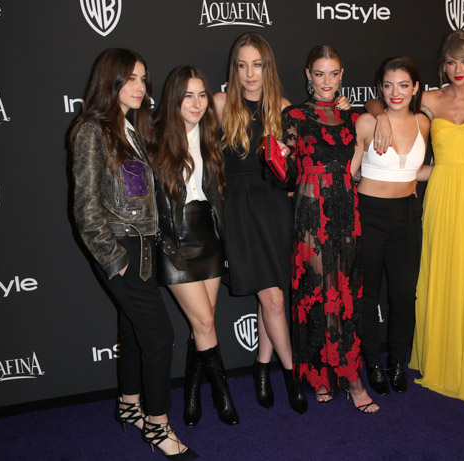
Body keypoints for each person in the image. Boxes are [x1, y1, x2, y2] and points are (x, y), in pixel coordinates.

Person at [374, 30, 464, 403]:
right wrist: (382, 120)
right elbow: (388, 105)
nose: (458, 69)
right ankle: (438, 357)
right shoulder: (431, 100)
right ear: (443, 63)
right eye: (451, 61)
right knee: (438, 272)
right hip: (439, 193)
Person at [70, 49, 197, 459]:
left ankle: (129, 403)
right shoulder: (92, 130)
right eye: (130, 79)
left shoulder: (128, 127)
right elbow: (86, 209)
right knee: (160, 336)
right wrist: (114, 259)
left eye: (143, 79)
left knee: (131, 330)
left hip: (143, 247)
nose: (140, 87)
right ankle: (158, 426)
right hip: (121, 248)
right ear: (110, 81)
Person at [213, 32, 307, 414]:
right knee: (273, 297)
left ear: (268, 67)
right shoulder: (219, 104)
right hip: (238, 209)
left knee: (271, 295)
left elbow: (293, 175)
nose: (250, 74)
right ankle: (292, 377)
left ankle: (261, 367)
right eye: (242, 65)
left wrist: (288, 159)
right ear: (234, 69)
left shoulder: (282, 107)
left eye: (258, 64)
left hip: (274, 209)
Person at [281, 44, 379, 413]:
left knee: (347, 292)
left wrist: (371, 112)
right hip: (311, 215)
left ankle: (350, 374)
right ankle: (323, 375)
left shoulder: (350, 116)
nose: (326, 81)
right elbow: (285, 173)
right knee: (320, 292)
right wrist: (278, 160)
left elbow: (378, 110)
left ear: (342, 75)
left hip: (347, 212)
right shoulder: (294, 116)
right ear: (308, 75)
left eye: (333, 74)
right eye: (319, 74)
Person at [154, 66, 238, 427]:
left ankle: (190, 397)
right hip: (175, 242)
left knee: (200, 325)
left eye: (202, 95)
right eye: (188, 95)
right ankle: (224, 397)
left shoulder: (210, 134)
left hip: (209, 236)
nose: (197, 103)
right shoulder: (153, 137)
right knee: (204, 321)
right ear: (173, 98)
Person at [355, 57, 430, 396]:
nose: (395, 92)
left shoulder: (424, 123)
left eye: (403, 85)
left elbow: (421, 170)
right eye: (387, 85)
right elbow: (351, 171)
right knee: (368, 296)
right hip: (369, 214)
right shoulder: (367, 122)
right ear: (379, 89)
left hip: (406, 215)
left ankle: (397, 362)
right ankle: (372, 364)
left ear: (415, 88)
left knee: (403, 295)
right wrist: (379, 113)